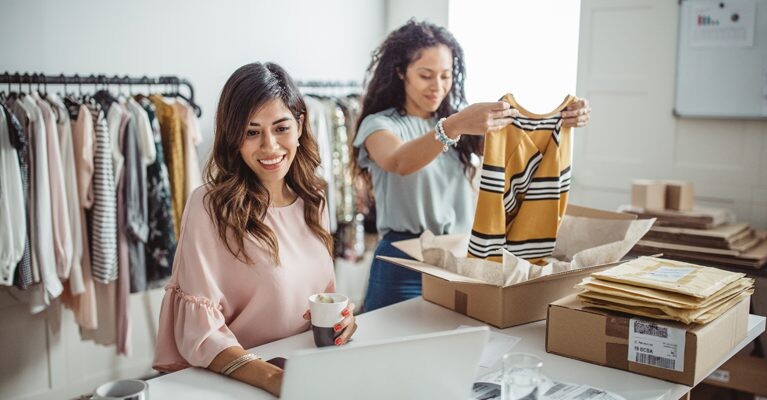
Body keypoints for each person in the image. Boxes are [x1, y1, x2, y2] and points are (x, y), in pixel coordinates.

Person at [352, 20, 592, 312]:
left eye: (445, 75)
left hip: (459, 258)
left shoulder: (461, 125)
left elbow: (520, 149)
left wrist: (563, 119)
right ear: (401, 72)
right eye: (426, 75)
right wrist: (453, 127)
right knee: (388, 349)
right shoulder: (380, 124)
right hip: (402, 262)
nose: (437, 87)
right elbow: (400, 161)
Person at [153, 62, 357, 397]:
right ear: (233, 137)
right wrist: (276, 381)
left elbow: (321, 299)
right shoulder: (209, 207)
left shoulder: (314, 198)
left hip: (308, 371)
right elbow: (200, 334)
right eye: (252, 132)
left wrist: (343, 322)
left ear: (300, 125)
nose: (270, 147)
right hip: (239, 383)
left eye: (281, 128)